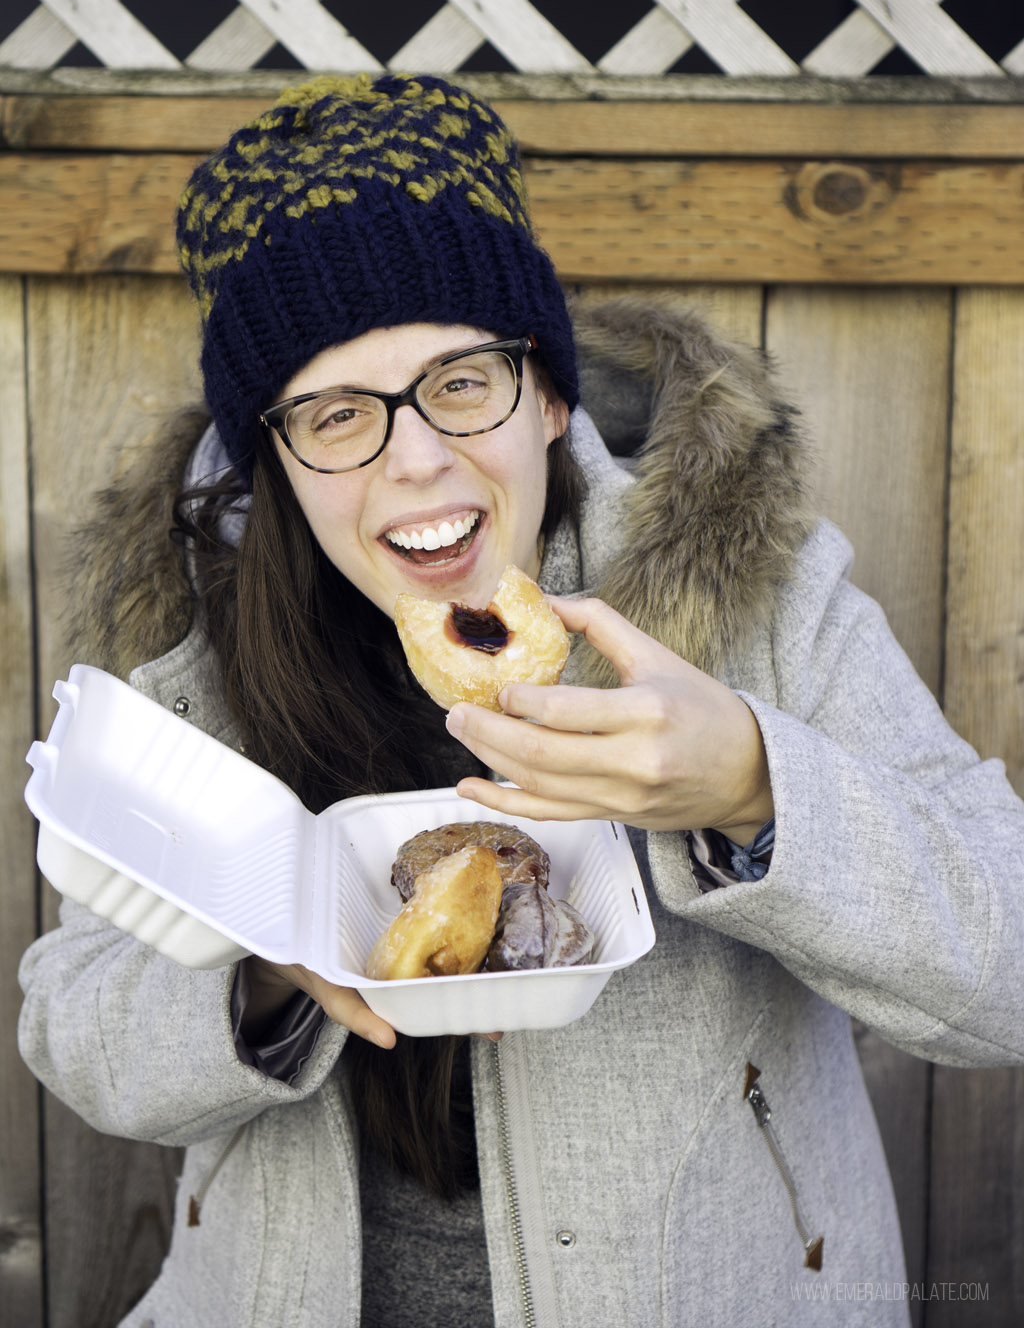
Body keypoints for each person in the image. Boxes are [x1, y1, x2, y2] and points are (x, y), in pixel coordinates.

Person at [18, 73, 1024, 1328]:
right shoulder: (195, 668)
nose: (417, 457)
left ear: (545, 394)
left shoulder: (752, 602)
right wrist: (261, 964)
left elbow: (1008, 969)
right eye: (338, 415)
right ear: (276, 461)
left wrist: (755, 787)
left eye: (461, 381)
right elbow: (69, 1029)